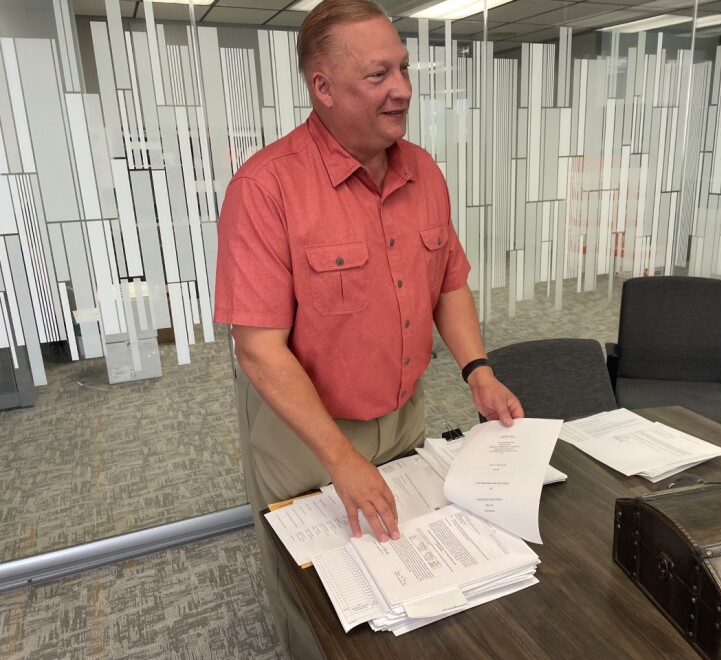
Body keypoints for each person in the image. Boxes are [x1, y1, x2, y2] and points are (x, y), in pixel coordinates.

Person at [213, 0, 523, 655]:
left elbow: (449, 281)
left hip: (403, 413)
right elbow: (259, 350)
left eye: (404, 69)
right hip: (305, 434)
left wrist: (479, 370)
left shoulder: (425, 171)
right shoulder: (265, 187)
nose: (403, 89)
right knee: (320, 604)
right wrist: (341, 460)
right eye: (379, 74)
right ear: (322, 87)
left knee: (409, 578)